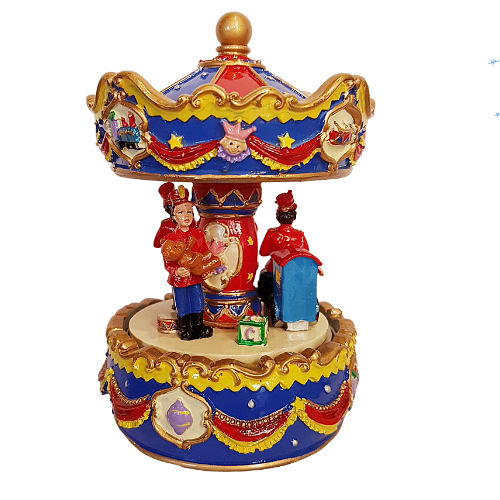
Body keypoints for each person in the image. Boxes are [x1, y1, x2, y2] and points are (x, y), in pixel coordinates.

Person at [162, 185, 214, 341]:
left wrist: (207, 266)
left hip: (195, 276)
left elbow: (206, 252)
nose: (186, 216)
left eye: (189, 212)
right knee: (183, 303)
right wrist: (176, 271)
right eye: (181, 212)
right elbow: (167, 262)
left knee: (197, 301)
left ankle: (198, 325)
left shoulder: (198, 234)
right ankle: (184, 327)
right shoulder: (170, 239)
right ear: (174, 215)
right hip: (180, 279)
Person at [258, 190, 322, 304]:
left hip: (274, 270)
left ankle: (264, 303)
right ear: (294, 216)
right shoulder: (299, 234)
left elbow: (263, 252)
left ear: (278, 215)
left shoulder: (272, 233)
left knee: (264, 277)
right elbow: (305, 256)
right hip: (294, 271)